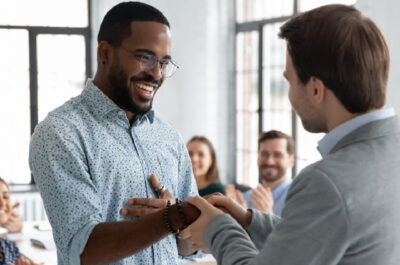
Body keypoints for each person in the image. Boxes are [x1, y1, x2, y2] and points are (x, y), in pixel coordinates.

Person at [182, 4, 400, 265]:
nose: (289, 94)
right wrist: (249, 221)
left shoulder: (327, 182)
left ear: (316, 89)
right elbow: (319, 236)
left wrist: (216, 228)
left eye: (290, 80)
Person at [29, 2, 202, 265]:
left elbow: (191, 246)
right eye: (145, 58)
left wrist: (183, 224)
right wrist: (172, 217)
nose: (157, 74)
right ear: (105, 53)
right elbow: (85, 249)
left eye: (164, 63)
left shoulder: (169, 138)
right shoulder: (61, 133)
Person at [226, 130, 294, 216]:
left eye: (277, 155)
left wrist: (268, 217)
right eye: (264, 154)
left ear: (291, 160)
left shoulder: (299, 197)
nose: (270, 161)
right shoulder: (244, 199)